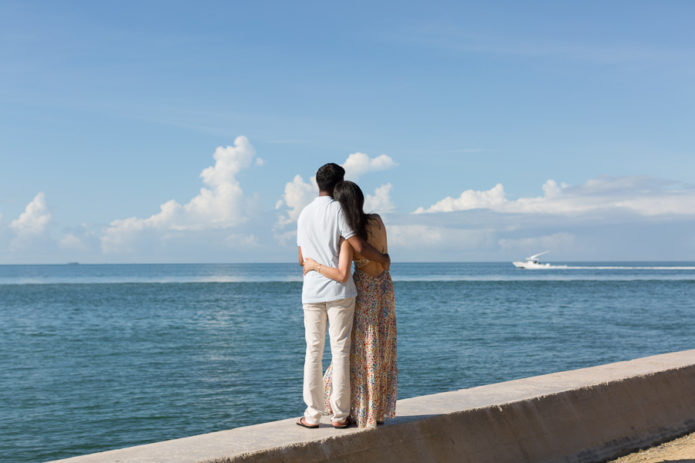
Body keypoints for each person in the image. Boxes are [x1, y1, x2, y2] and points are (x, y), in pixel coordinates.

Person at [296, 164, 390, 429]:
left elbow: (302, 259)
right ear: (339, 184)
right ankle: (339, 416)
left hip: (312, 292)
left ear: (317, 184)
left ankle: (312, 415)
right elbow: (358, 245)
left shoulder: (304, 214)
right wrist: (382, 257)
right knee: (340, 351)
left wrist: (315, 265)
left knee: (313, 351)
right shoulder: (339, 210)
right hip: (340, 292)